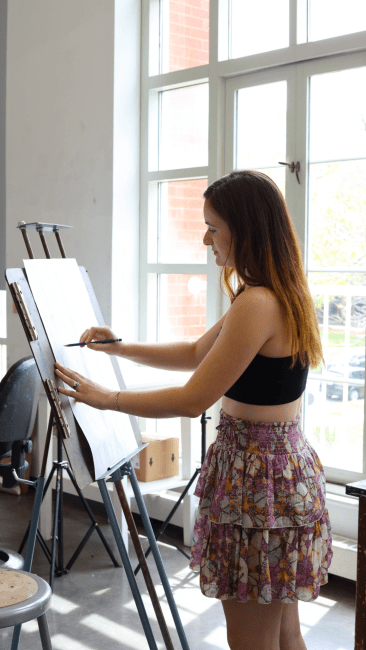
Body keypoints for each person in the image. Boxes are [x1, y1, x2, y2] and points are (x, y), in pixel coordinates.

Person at [55, 170, 333, 650]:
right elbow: (195, 352)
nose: (206, 238)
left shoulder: (258, 303)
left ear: (245, 229)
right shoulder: (272, 293)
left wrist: (106, 398)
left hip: (257, 483)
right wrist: (117, 347)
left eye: (213, 227)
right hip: (278, 476)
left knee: (254, 642)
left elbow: (191, 399)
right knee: (284, 636)